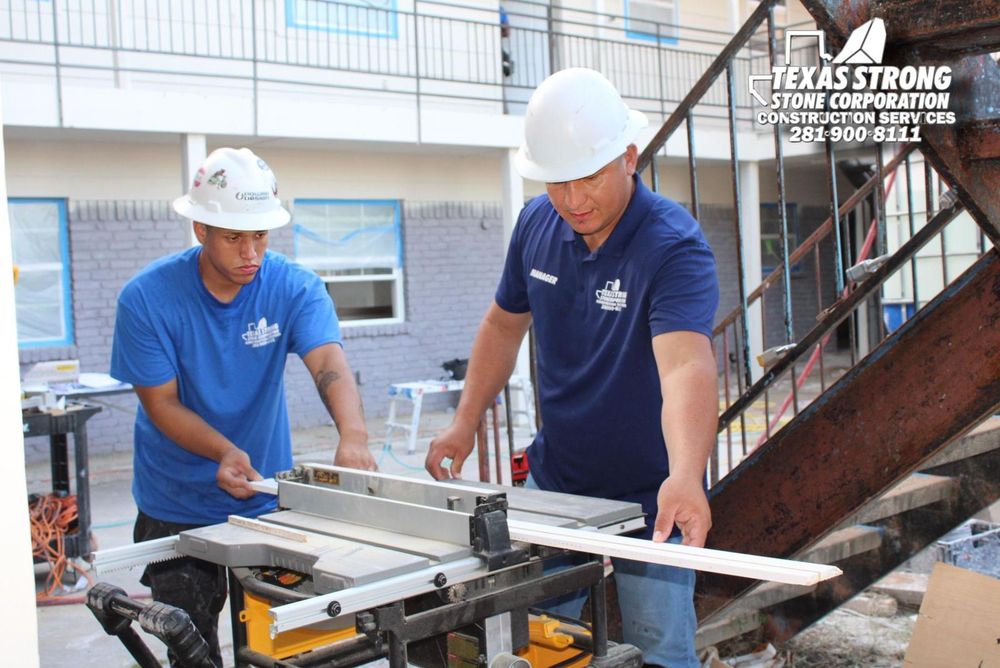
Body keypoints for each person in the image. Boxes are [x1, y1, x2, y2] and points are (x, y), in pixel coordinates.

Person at [425, 68, 719, 668]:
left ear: (628, 158)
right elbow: (502, 325)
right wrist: (463, 423)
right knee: (534, 641)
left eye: (588, 178)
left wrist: (687, 474)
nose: (573, 201)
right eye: (557, 182)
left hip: (652, 495)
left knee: (658, 648)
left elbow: (686, 365)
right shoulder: (537, 223)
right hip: (557, 482)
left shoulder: (673, 246)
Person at [110, 147, 374, 667]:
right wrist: (225, 451)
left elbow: (327, 361)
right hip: (175, 507)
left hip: (262, 502)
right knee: (191, 652)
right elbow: (160, 403)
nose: (250, 252)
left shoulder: (294, 286)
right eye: (234, 236)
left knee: (280, 649)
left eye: (260, 235)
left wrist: (355, 436)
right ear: (201, 229)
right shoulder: (146, 299)